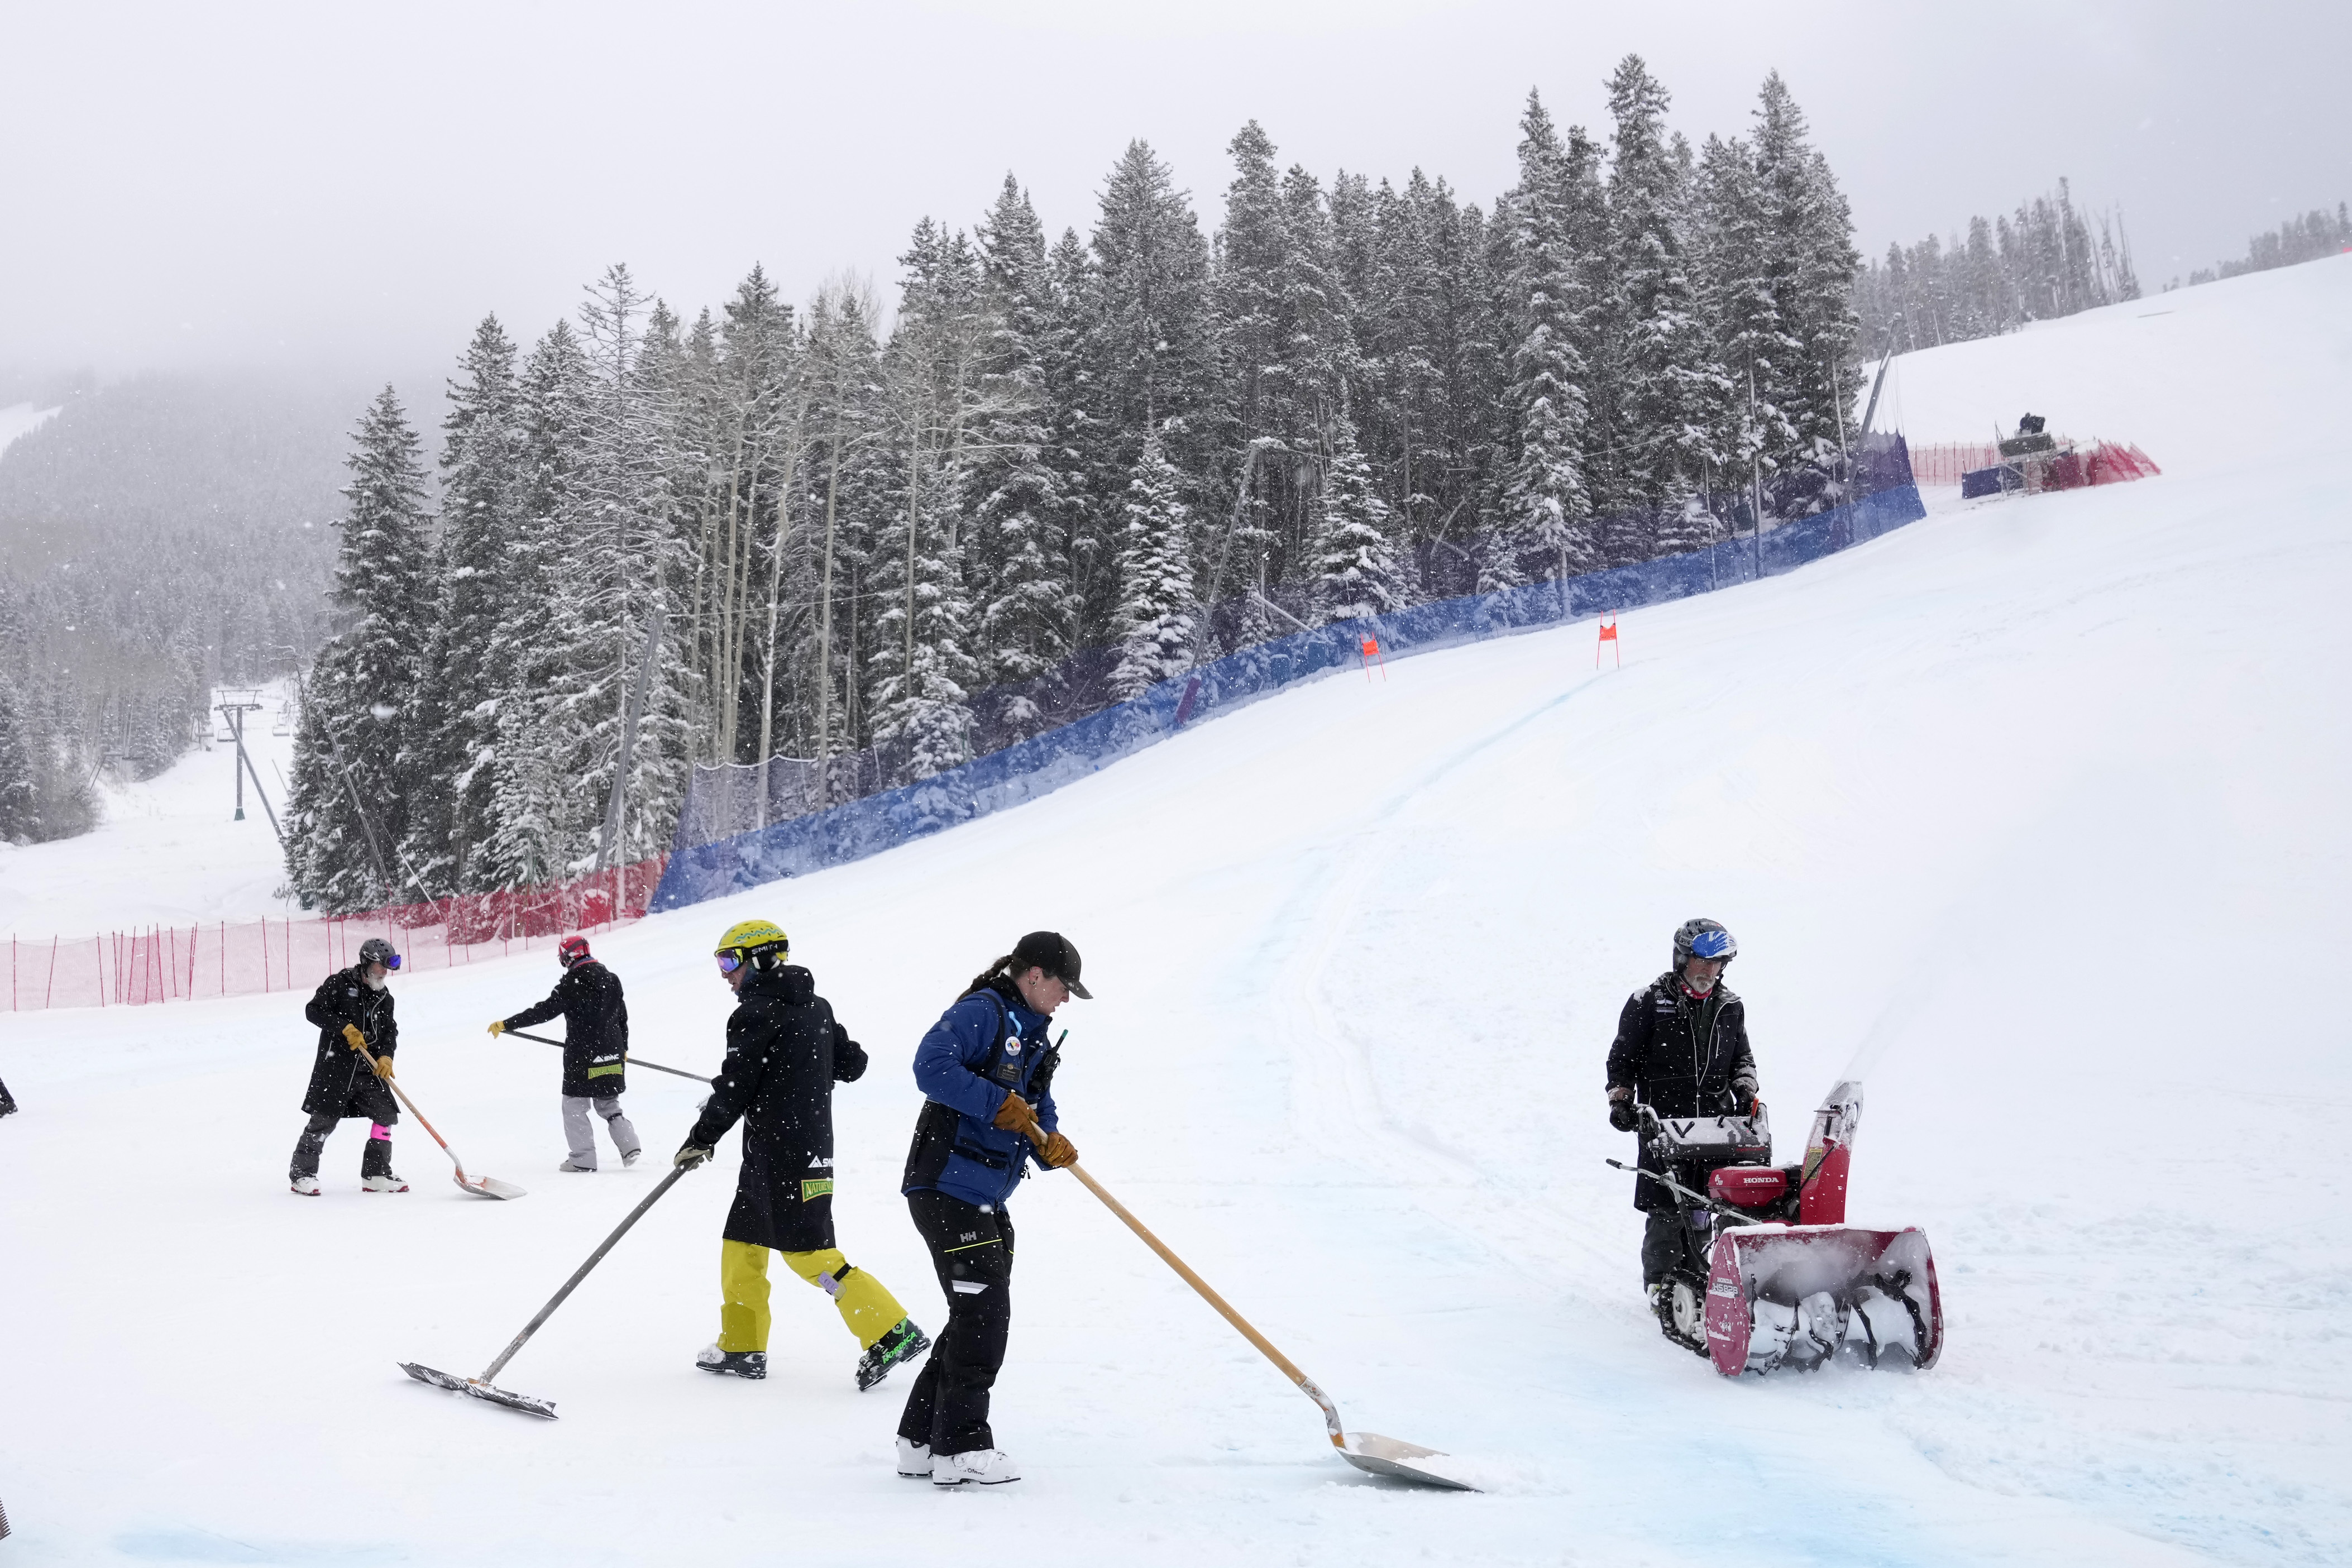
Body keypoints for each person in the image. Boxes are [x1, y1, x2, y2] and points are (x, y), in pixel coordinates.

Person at [672, 919, 930, 1392]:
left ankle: (888, 1331)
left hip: (782, 1153)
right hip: (794, 1149)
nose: (724, 974)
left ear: (762, 959)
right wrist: (805, 1062)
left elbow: (735, 1087)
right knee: (743, 1242)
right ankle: (741, 1344)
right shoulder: (816, 1007)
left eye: (729, 961)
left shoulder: (756, 1012)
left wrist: (702, 1136)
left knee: (809, 1256)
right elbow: (854, 1064)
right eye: (720, 963)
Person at [893, 931, 1087, 1488]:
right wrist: (996, 1103)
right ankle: (961, 1446)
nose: (1066, 999)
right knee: (984, 1314)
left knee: (972, 1313)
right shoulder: (984, 1012)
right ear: (1035, 977)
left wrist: (1050, 1142)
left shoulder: (1033, 1035)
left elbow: (1033, 1107)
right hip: (947, 1185)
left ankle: (922, 1440)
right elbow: (930, 1067)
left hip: (981, 1193)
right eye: (1063, 986)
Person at [1605, 918, 1760, 1339]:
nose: (1709, 970)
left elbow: (1742, 1059)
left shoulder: (1730, 1006)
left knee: (1718, 1203)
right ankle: (1661, 1285)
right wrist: (1621, 1100)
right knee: (1667, 1207)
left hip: (1716, 1124)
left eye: (1717, 962)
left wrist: (1746, 1091)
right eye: (1701, 959)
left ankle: (1718, 1281)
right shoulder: (1649, 1002)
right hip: (1663, 1122)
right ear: (1682, 958)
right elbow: (1622, 1059)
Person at [488, 935, 642, 1173]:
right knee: (610, 1105)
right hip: (612, 1055)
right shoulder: (612, 980)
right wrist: (624, 1049)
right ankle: (630, 1146)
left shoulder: (571, 984)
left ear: (567, 958)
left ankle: (583, 1159)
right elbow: (622, 1017)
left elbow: (543, 1012)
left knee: (574, 1106)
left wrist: (508, 1024)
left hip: (583, 1056)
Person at [291, 936, 407, 1196]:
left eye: (387, 968)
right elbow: (314, 1011)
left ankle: (375, 1174)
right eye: (381, 967)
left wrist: (387, 1057)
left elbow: (390, 1031)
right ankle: (302, 1175)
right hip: (338, 1069)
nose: (384, 973)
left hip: (369, 1070)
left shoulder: (384, 998)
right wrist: (343, 1028)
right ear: (366, 963)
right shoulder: (340, 984)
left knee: (385, 1116)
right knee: (323, 1122)